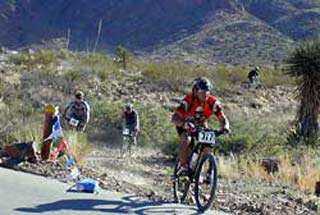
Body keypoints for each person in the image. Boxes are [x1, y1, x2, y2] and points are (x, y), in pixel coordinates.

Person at [171, 77, 230, 174]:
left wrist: (225, 127)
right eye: (202, 91)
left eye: (207, 91)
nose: (205, 93)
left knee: (208, 146)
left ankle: (200, 169)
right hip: (185, 124)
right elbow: (175, 118)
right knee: (186, 140)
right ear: (195, 91)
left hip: (200, 124)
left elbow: (223, 118)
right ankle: (183, 167)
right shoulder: (188, 100)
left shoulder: (212, 102)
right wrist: (183, 124)